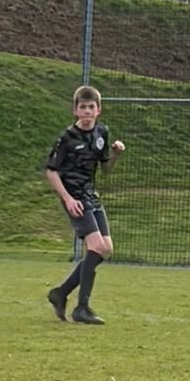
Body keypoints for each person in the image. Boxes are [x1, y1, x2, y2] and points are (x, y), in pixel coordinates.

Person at [45, 84, 125, 326]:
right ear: (75, 110)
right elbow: (51, 172)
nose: (87, 111)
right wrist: (68, 199)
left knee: (106, 249)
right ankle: (82, 307)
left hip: (91, 195)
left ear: (98, 110)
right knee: (96, 246)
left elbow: (105, 168)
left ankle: (60, 293)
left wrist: (116, 154)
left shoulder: (102, 133)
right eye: (83, 107)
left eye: (91, 107)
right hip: (75, 198)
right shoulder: (67, 138)